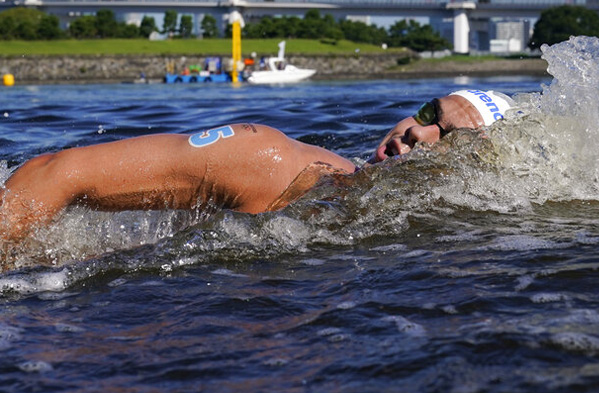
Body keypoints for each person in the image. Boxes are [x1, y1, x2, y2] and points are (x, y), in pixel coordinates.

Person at [0, 89, 512, 247]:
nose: (417, 133)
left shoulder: (423, 246)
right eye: (427, 115)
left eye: (448, 137)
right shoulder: (266, 159)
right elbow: (52, 172)